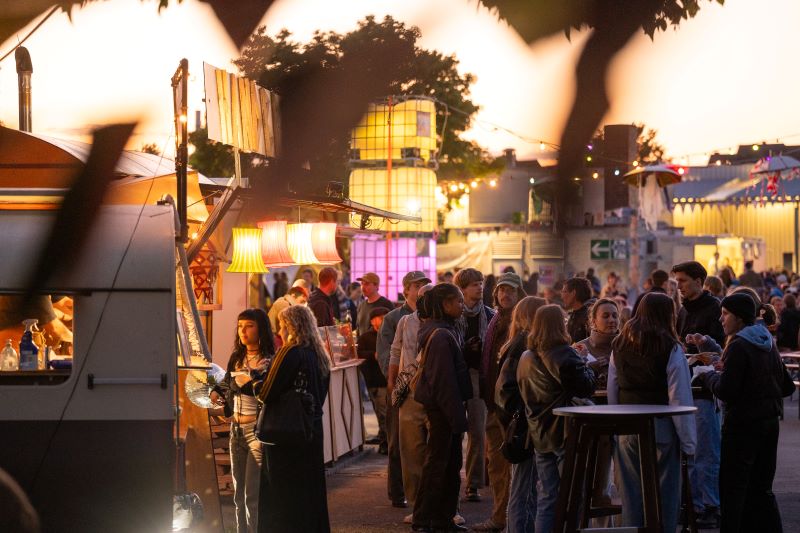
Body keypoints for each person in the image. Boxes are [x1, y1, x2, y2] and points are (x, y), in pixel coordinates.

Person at [694, 293, 795, 533]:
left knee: (733, 489)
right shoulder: (767, 341)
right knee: (761, 489)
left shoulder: (738, 345)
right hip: (769, 424)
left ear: (739, 317)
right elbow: (787, 386)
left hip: (742, 426)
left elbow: (726, 391)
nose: (721, 319)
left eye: (725, 314)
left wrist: (708, 375)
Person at [608, 292, 697, 533]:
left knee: (630, 494)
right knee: (665, 494)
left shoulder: (619, 344)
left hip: (627, 426)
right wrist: (689, 442)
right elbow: (678, 396)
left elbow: (613, 387)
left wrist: (615, 425)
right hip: (661, 425)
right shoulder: (670, 347)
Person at [517, 304, 596, 533]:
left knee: (547, 495)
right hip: (565, 430)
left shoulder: (526, 357)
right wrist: (584, 361)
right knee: (574, 495)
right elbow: (585, 387)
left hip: (539, 431)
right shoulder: (564, 353)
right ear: (558, 325)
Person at [258, 305, 331, 533]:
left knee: (283, 493)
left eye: (282, 325)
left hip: (287, 433)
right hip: (312, 430)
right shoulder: (319, 355)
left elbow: (267, 393)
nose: (279, 331)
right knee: (310, 491)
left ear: (291, 327)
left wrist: (253, 381)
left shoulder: (290, 353)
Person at [411, 283, 471, 533]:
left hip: (445, 409)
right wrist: (457, 418)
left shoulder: (443, 331)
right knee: (438, 466)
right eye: (458, 301)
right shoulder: (441, 335)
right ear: (445, 305)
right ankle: (424, 520)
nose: (462, 305)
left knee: (447, 466)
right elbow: (444, 382)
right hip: (443, 411)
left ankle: (441, 520)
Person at [211, 308, 274, 533]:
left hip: (255, 431)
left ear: (261, 329)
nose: (243, 331)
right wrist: (217, 390)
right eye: (240, 326)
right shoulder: (237, 357)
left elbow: (263, 392)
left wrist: (248, 380)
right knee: (238, 493)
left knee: (251, 494)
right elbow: (227, 381)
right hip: (235, 429)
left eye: (249, 326)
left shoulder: (268, 360)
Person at [671, 261, 724, 525]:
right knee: (689, 452)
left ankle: (710, 507)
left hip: (705, 389)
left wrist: (700, 348)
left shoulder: (715, 309)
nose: (678, 286)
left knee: (706, 451)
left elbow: (719, 351)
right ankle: (693, 505)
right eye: (677, 281)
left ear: (699, 281)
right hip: (686, 388)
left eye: (682, 281)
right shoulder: (683, 311)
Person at [473, 272, 526, 532]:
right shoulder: (496, 318)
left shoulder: (520, 321)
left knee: (505, 464)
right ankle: (501, 517)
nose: (505, 294)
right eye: (502, 290)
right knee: (496, 463)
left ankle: (504, 518)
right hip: (494, 402)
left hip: (509, 406)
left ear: (519, 293)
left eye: (511, 290)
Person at [379, 271, 431, 509]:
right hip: (401, 388)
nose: (421, 289)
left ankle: (423, 496)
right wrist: (394, 383)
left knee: (422, 446)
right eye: (417, 285)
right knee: (397, 444)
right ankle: (398, 493)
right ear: (407, 289)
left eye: (424, 285)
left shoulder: (435, 316)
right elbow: (387, 353)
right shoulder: (396, 318)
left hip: (426, 389)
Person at [494, 296, 547, 533]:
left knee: (524, 484)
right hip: (524, 424)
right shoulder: (524, 344)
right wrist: (522, 414)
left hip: (519, 422)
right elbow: (506, 389)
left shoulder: (517, 341)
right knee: (523, 486)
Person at [390, 283, 434, 523]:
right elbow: (395, 352)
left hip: (436, 395)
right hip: (409, 393)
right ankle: (417, 506)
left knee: (440, 454)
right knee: (411, 453)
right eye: (422, 298)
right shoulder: (406, 322)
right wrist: (392, 384)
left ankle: (445, 506)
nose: (425, 302)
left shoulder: (446, 324)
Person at [453, 268, 495, 503]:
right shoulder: (453, 315)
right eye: (474, 284)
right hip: (458, 375)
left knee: (478, 431)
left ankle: (474, 483)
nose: (479, 287)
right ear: (462, 289)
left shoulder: (489, 315)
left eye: (481, 283)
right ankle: (452, 479)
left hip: (479, 375)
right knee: (455, 431)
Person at [357, 307, 391, 453]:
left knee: (388, 414)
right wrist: (373, 355)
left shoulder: (389, 334)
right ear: (372, 321)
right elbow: (358, 353)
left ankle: (388, 443)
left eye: (385, 318)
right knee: (381, 413)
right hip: (375, 381)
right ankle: (385, 442)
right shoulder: (365, 337)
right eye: (381, 318)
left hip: (388, 380)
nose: (384, 321)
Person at [573, 297, 619, 390]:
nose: (611, 320)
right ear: (594, 321)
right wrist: (588, 367)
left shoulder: (627, 347)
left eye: (615, 316)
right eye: (605, 316)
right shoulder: (579, 347)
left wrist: (615, 364)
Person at [561, 277, 593, 343]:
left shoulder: (589, 316)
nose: (562, 296)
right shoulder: (574, 315)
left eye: (564, 292)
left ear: (573, 293)